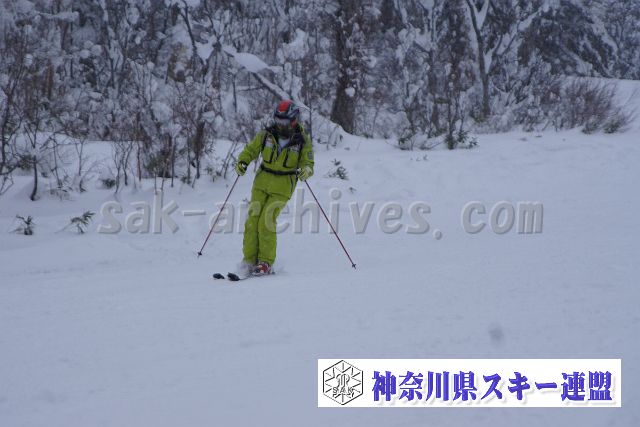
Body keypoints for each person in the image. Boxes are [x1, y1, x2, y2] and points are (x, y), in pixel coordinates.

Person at [234, 100, 314, 276]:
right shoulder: (266, 135)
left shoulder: (302, 141)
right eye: (278, 120)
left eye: (284, 122)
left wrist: (306, 170)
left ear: (293, 120)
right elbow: (250, 150)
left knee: (266, 220)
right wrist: (243, 161)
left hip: (283, 186)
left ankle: (265, 262)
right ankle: (249, 260)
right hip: (261, 183)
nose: (280, 125)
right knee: (252, 220)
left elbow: (308, 162)